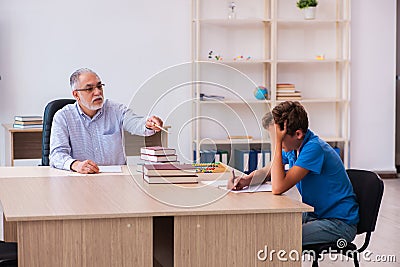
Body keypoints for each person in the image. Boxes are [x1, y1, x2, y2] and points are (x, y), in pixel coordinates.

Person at [235, 101, 359, 246]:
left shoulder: (314, 148)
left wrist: (276, 144)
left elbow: (278, 187)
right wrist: (245, 180)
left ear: (298, 134)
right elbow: (267, 171)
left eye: (279, 138)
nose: (277, 142)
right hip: (316, 214)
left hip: (339, 223)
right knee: (267, 227)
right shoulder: (294, 146)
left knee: (282, 239)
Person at [49, 68, 164, 174]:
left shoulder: (116, 110)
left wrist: (148, 124)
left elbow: (136, 123)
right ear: (76, 94)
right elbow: (56, 155)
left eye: (99, 86)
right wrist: (76, 165)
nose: (98, 92)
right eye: (90, 89)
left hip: (116, 178)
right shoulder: (63, 117)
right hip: (81, 178)